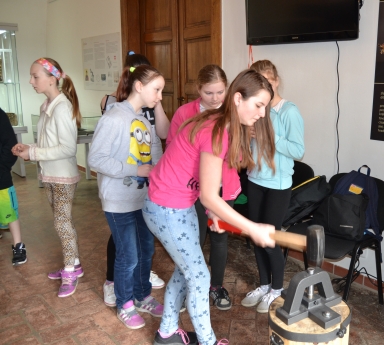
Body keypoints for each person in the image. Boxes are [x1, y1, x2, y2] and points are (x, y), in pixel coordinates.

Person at [143, 69, 276, 345]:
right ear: (238, 98)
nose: (262, 114)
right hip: (166, 208)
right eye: (259, 106)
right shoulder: (216, 129)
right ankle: (208, 341)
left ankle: (167, 332)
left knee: (187, 269)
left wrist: (215, 212)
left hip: (179, 205)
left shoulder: (221, 123)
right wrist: (252, 228)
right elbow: (208, 196)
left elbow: (209, 181)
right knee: (201, 277)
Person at [88, 65, 165, 329]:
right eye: (157, 90)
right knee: (128, 255)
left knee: (146, 251)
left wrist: (161, 176)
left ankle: (142, 295)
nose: (160, 96)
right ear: (139, 86)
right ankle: (124, 304)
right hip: (118, 201)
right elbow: (95, 159)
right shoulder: (113, 117)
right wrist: (136, 169)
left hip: (143, 199)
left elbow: (154, 151)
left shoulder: (144, 119)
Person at [166, 64, 238, 311]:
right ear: (198, 89)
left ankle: (216, 286)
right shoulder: (185, 113)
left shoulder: (232, 114)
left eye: (220, 92)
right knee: (193, 239)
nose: (216, 98)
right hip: (191, 189)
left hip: (221, 188)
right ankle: (190, 285)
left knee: (219, 237)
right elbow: (174, 151)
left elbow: (237, 153)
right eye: (209, 93)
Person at [13, 58, 83, 297]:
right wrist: (29, 148)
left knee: (62, 223)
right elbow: (48, 144)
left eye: (35, 76)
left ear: (52, 79)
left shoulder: (62, 107)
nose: (31, 81)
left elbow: (67, 149)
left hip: (63, 177)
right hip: (50, 175)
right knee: (62, 222)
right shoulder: (48, 106)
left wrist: (33, 153)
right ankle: (73, 262)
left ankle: (71, 270)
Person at [241, 60, 305, 313]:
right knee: (257, 239)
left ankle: (277, 290)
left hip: (277, 186)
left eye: (268, 81)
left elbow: (298, 150)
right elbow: (251, 147)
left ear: (276, 81)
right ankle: (264, 284)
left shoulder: (289, 111)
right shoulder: (256, 109)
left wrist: (272, 138)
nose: (265, 86)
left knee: (269, 239)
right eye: (259, 82)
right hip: (255, 180)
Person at [1, 108, 27, 265]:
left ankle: (18, 246)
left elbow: (10, 145)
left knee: (9, 211)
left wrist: (2, 167)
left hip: (0, 178)